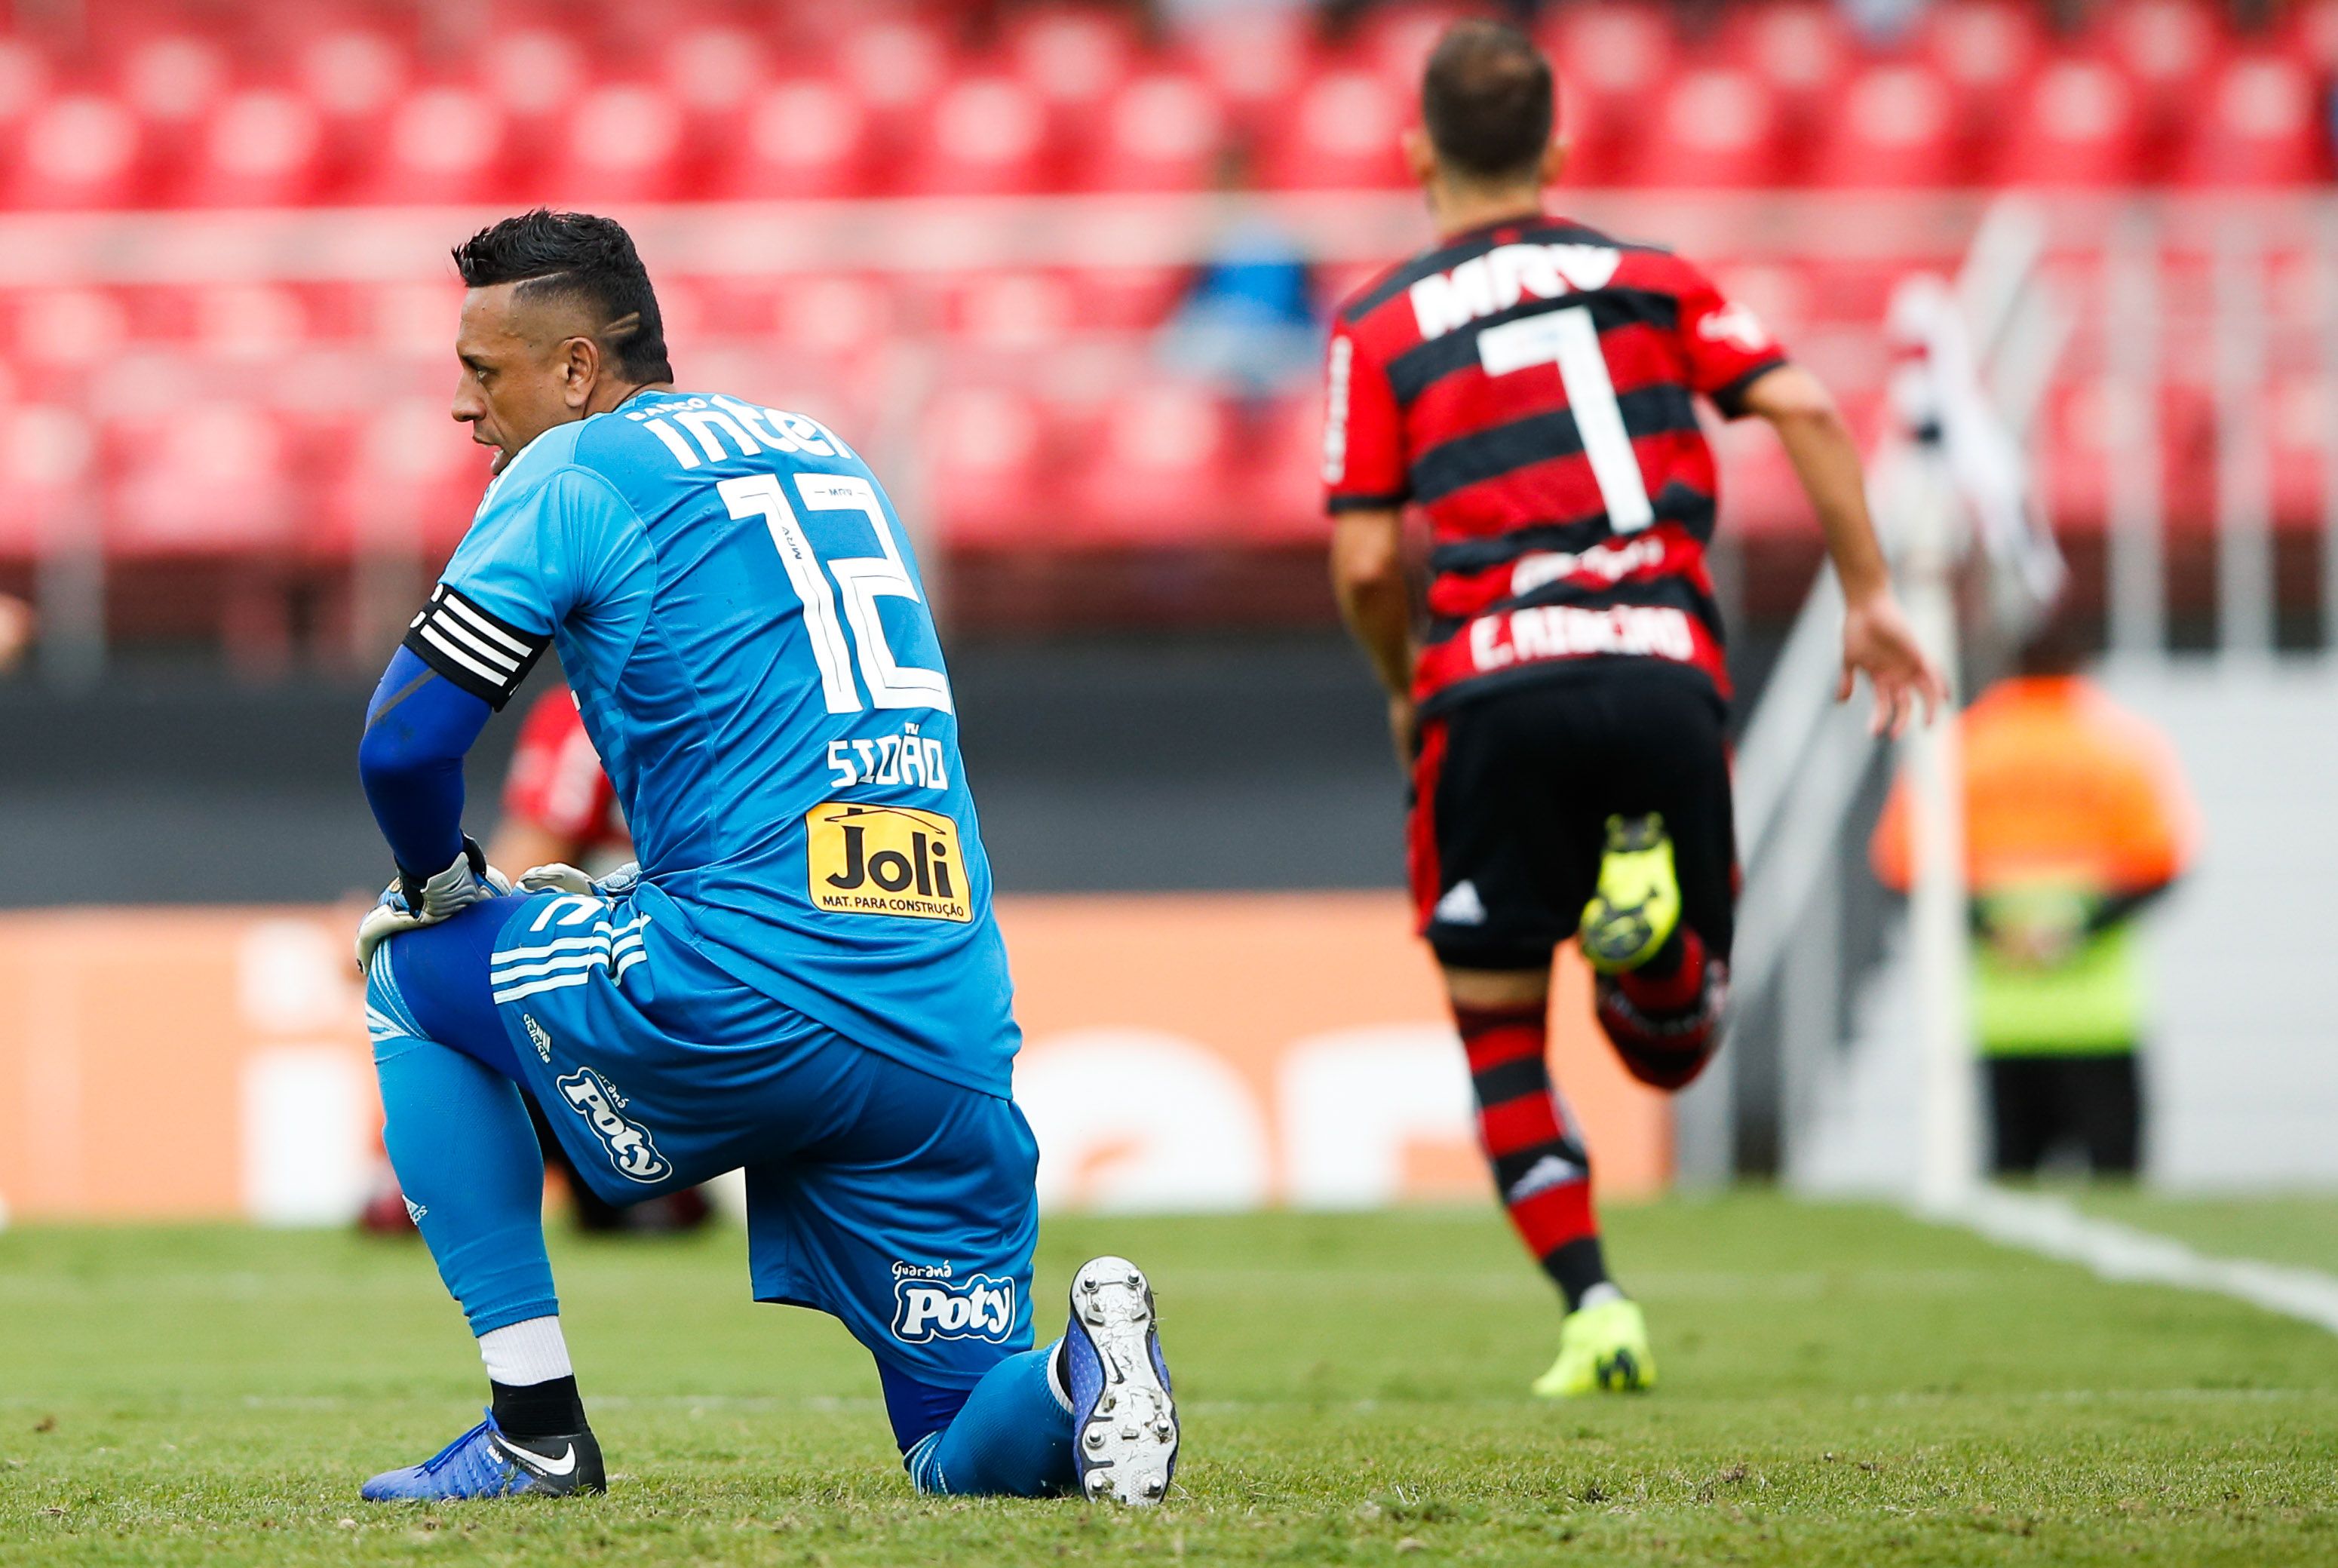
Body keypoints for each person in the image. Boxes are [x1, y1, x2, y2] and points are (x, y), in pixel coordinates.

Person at [351, 210, 1176, 1504]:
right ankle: (1080, 1377)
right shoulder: (829, 453)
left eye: (482, 369)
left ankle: (534, 1429)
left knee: (408, 970)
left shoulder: (572, 474)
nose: (463, 406)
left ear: (574, 369)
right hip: (944, 1017)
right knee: (955, 1443)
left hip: (743, 979)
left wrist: (437, 884)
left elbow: (404, 742)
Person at [1324, 23, 1944, 1399]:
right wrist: (1869, 594)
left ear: (1416, 148)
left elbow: (1368, 557)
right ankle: (1650, 943)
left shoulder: (1377, 325)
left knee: (1499, 1028)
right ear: (1557, 149)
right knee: (1670, 1052)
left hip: (1491, 678)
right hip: (1664, 661)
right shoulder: (1654, 279)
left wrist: (1404, 680)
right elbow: (1811, 411)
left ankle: (1593, 1301)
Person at [357, 685, 713, 1235]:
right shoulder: (772, 683)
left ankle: (438, 1169)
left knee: (445, 958)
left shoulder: (592, 703)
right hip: (779, 987)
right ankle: (654, 1169)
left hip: (633, 1004)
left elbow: (515, 874)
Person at [1871, 620, 2198, 1177]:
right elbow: (2163, 866)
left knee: (2012, 1174)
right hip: (2099, 1013)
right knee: (2119, 1181)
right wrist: (2074, 928)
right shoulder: (2118, 745)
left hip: (1999, 1014)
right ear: (2080, 664)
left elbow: (1901, 869)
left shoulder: (1964, 744)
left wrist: (1993, 930)